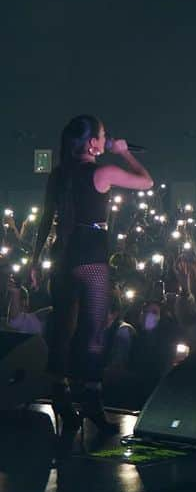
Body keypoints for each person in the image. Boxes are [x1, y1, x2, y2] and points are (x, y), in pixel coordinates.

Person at [31, 116, 153, 437]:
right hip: (90, 256)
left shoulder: (58, 175)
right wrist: (124, 151)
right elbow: (146, 181)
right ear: (92, 144)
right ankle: (92, 402)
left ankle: (61, 399)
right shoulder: (101, 172)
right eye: (103, 136)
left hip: (62, 254)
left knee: (63, 328)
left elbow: (46, 218)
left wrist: (34, 259)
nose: (107, 140)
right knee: (94, 331)